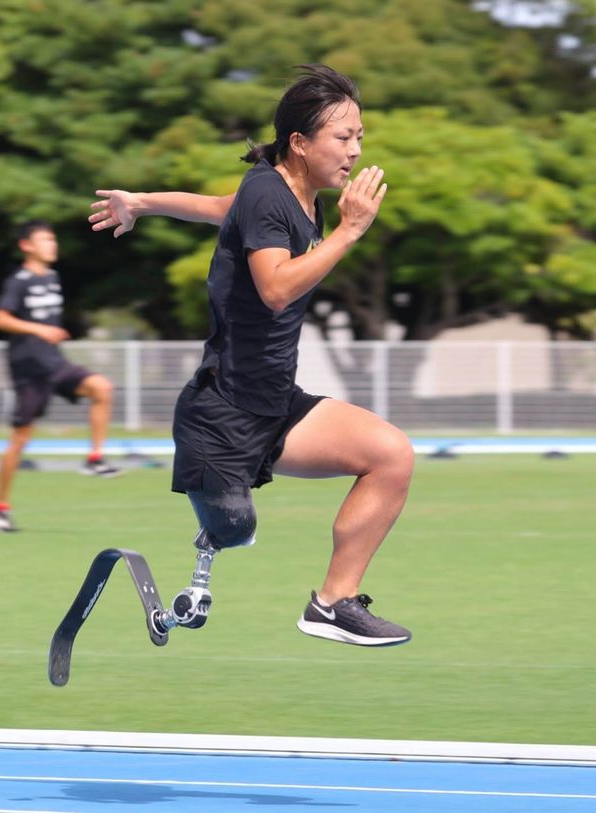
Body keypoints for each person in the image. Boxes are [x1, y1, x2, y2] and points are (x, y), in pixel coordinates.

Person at [88, 65, 415, 647]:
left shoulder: (290, 196)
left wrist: (140, 200)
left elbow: (215, 206)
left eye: (359, 136)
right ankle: (218, 514)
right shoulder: (271, 194)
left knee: (391, 455)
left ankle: (333, 603)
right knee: (236, 530)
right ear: (299, 141)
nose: (356, 150)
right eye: (343, 138)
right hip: (221, 415)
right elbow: (276, 287)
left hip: (272, 406)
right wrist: (349, 233)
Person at [0, 220, 121, 533]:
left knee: (101, 388)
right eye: (45, 240)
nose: (52, 245)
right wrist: (39, 329)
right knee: (20, 439)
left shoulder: (54, 278)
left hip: (55, 363)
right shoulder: (18, 280)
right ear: (26, 246)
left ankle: (95, 458)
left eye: (53, 239)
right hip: (29, 370)